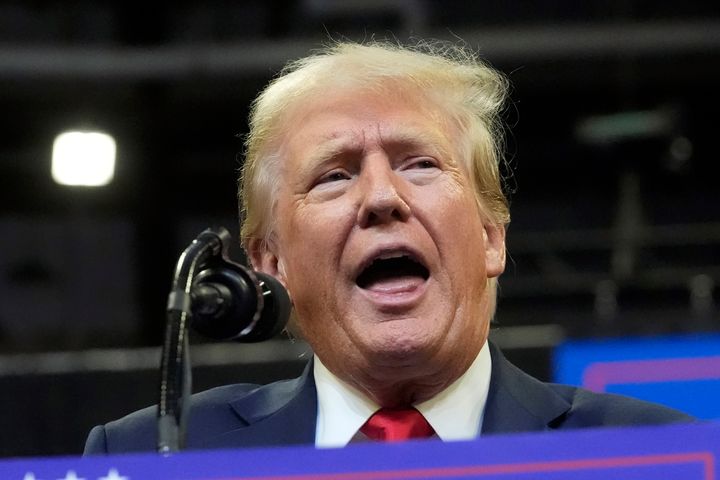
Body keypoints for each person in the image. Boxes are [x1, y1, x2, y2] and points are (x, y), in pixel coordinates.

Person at [84, 40, 692, 454]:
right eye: (334, 175)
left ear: (490, 238)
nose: (381, 197)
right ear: (271, 266)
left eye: (420, 164)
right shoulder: (152, 455)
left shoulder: (652, 456)